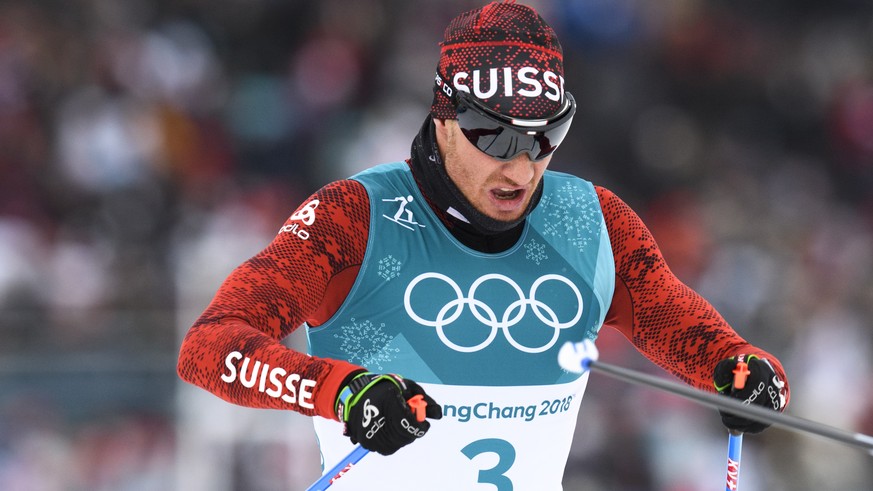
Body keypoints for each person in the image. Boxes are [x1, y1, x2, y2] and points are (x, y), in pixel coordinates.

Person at [177, 1, 789, 489]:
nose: (521, 169)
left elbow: (670, 318)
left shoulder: (592, 221)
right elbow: (210, 346)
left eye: (545, 136)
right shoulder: (354, 218)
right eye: (494, 138)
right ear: (444, 119)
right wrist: (340, 391)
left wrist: (736, 367)